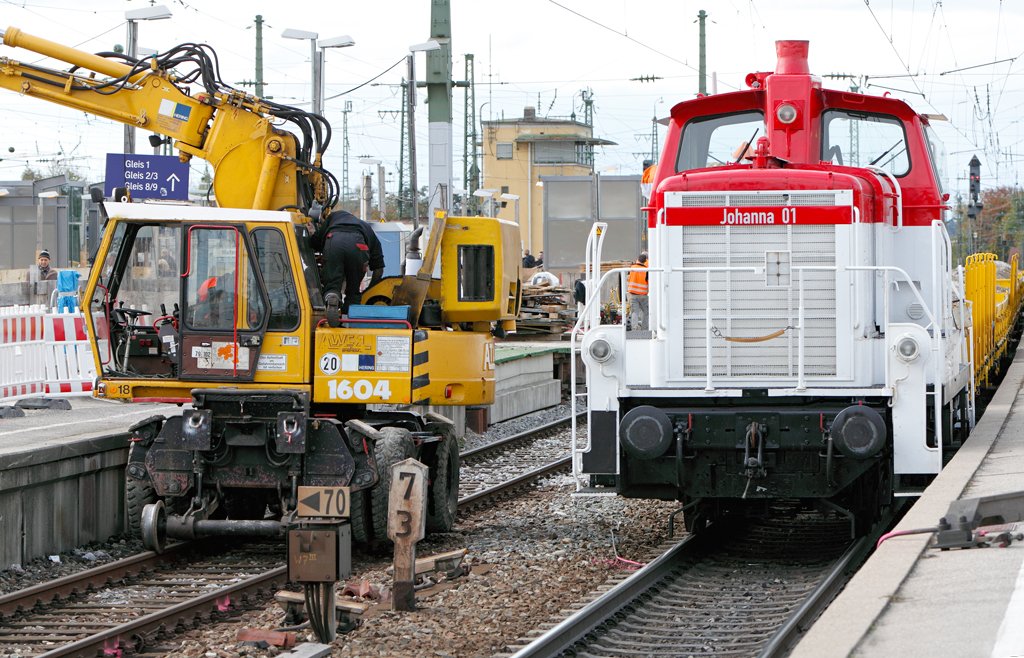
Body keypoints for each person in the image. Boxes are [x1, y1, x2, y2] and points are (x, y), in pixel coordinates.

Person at [312, 210, 385, 321]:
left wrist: (311, 234)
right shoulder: (366, 227)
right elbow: (379, 268)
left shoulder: (332, 219)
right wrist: (369, 290)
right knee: (353, 291)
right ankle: (349, 319)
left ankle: (332, 295)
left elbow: (316, 244)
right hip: (359, 245)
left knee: (332, 283)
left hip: (334, 241)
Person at [627, 252, 649, 331]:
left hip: (633, 294)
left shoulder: (632, 268)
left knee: (634, 312)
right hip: (643, 295)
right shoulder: (646, 270)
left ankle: (634, 329)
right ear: (645, 261)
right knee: (647, 312)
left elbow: (628, 279)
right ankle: (644, 329)